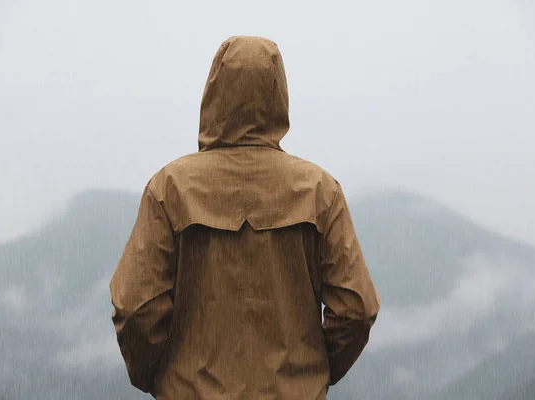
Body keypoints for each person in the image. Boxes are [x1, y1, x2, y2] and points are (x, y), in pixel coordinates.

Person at [109, 35, 380, 400]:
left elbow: (135, 308)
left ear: (213, 93)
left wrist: (156, 379)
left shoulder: (169, 188)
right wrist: (311, 373)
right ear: (279, 94)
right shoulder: (320, 191)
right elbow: (356, 310)